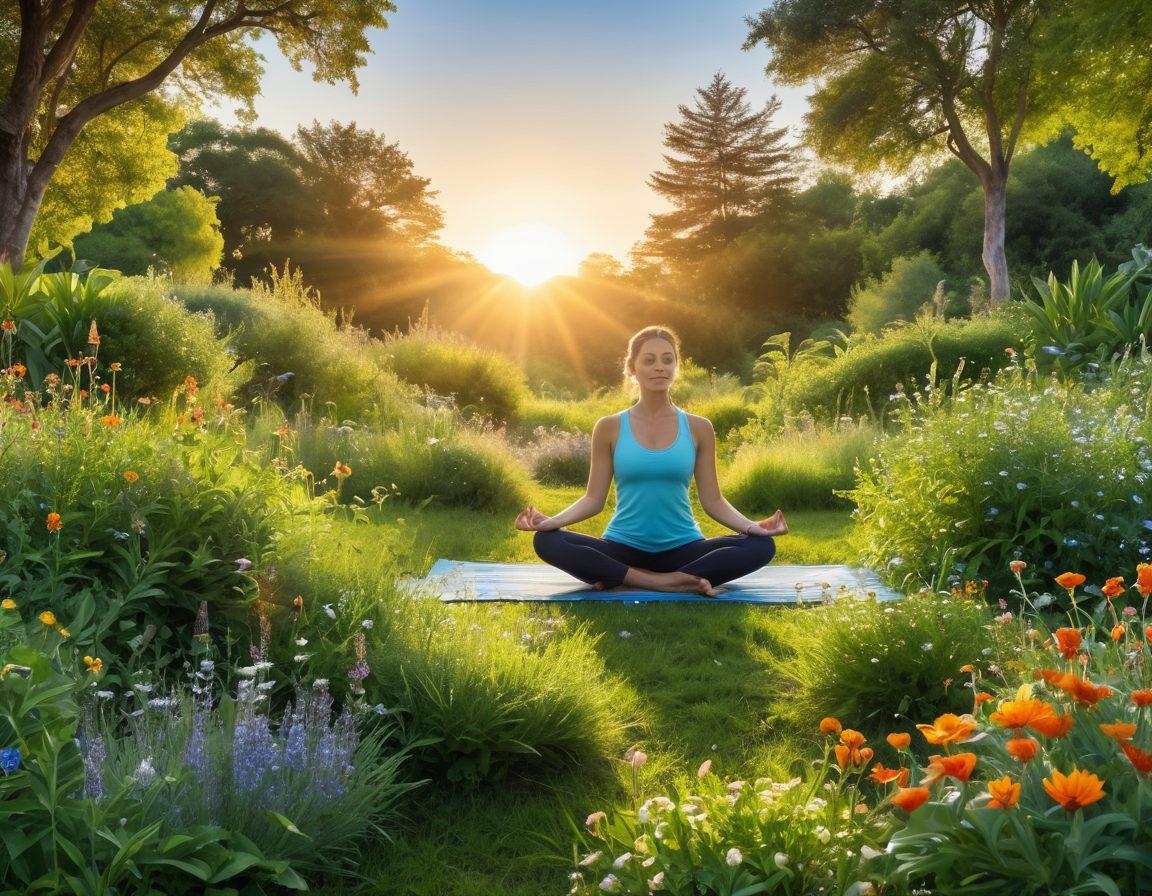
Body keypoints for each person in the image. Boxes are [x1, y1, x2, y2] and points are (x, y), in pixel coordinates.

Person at [514, 325, 787, 596]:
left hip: (684, 549)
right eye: (649, 360)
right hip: (622, 549)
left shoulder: (699, 427)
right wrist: (553, 522)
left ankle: (632, 580)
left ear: (676, 367)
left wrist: (752, 527)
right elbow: (593, 499)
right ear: (632, 369)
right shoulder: (609, 427)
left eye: (668, 360)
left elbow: (713, 501)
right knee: (547, 541)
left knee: (761, 547)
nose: (660, 367)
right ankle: (665, 582)